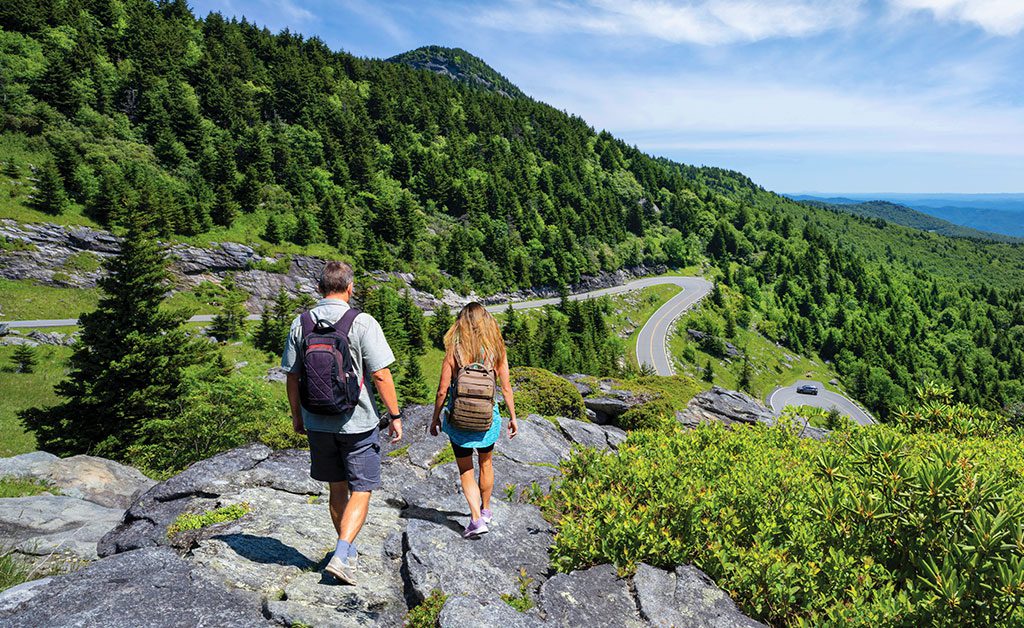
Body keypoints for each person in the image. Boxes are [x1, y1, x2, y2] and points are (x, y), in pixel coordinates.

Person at [282, 261, 404, 585]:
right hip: (358, 421)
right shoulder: (361, 322)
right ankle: (342, 554)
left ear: (320, 289)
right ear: (350, 288)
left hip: (317, 423)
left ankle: (346, 552)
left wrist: (297, 417)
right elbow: (380, 374)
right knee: (362, 488)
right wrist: (394, 416)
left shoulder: (301, 323)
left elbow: (292, 378)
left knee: (337, 488)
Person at [429, 302, 519, 538]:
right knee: (486, 463)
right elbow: (506, 388)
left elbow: (442, 390)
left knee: (466, 468)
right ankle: (486, 510)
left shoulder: (454, 351)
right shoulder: (496, 350)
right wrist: (513, 417)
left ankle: (476, 520)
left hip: (459, 419)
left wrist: (436, 418)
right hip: (487, 418)